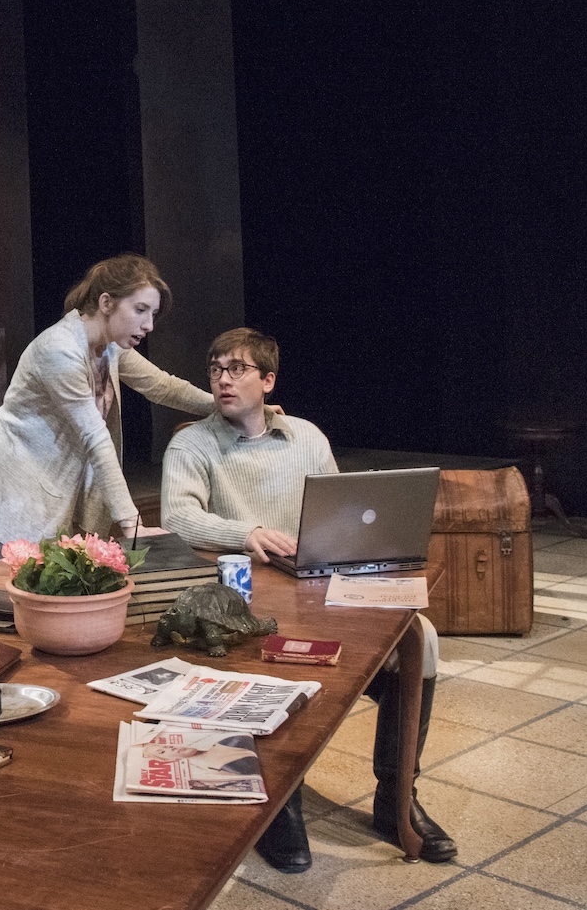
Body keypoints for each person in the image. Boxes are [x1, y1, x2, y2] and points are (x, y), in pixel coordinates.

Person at [161, 326, 458, 871]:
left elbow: (340, 509)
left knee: (424, 641)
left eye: (237, 369)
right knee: (276, 653)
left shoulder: (306, 438)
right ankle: (280, 805)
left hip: (315, 581)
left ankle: (397, 800)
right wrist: (247, 532)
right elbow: (177, 517)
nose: (223, 379)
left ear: (267, 380)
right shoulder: (194, 443)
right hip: (242, 592)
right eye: (215, 369)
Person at [0, 254, 219, 572]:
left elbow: (163, 386)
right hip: (16, 489)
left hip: (56, 488)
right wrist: (132, 523)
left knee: (52, 599)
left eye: (152, 314)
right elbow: (94, 437)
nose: (149, 324)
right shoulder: (59, 349)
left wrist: (227, 405)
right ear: (106, 302)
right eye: (140, 310)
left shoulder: (109, 347)